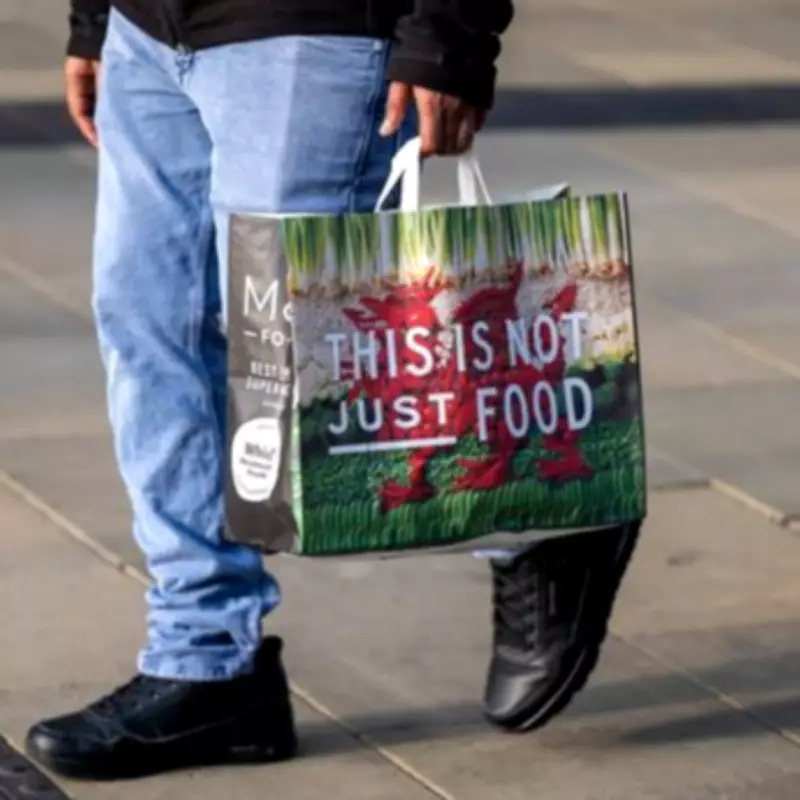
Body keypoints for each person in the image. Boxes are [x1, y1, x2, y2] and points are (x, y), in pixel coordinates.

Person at [26, 0, 642, 780]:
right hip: (145, 31)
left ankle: (543, 519)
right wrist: (92, 18)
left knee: (316, 351)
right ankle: (205, 662)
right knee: (149, 328)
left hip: (311, 31)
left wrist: (450, 33)